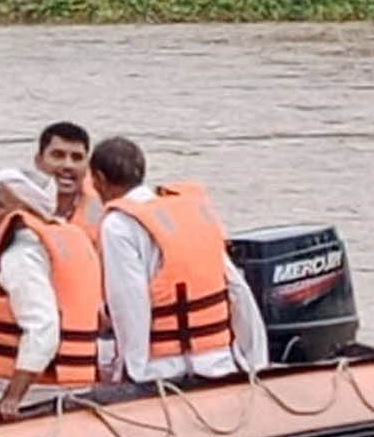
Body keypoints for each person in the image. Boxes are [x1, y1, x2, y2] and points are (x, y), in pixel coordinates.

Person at [90, 136, 268, 384]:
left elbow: (130, 304)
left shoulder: (118, 224)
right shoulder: (192, 212)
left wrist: (134, 372)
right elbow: (237, 289)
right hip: (220, 363)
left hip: (162, 371)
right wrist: (256, 361)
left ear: (98, 179)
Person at [0, 176, 109, 421]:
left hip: (34, 391)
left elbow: (43, 328)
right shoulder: (72, 238)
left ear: (25, 211)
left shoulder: (21, 255)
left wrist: (12, 397)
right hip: (77, 384)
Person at [0, 121, 102, 252]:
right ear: (38, 161)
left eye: (77, 158)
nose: (68, 165)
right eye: (58, 155)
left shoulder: (103, 212)